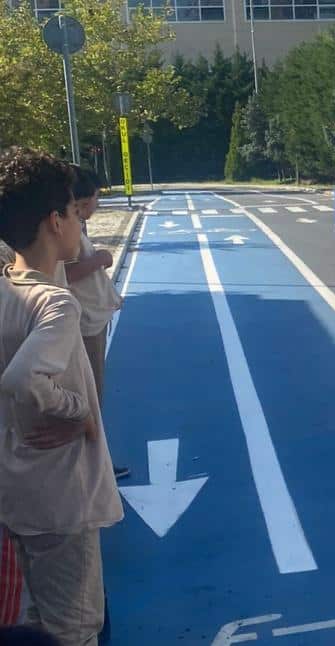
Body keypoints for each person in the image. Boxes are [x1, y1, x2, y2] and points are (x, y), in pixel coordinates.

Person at [0, 148, 123, 646]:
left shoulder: (8, 289)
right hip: (61, 494)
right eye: (74, 213)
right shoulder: (55, 303)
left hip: (18, 489)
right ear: (55, 221)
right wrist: (79, 413)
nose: (79, 222)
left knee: (35, 620)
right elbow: (21, 379)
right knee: (74, 629)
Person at [63, 167, 126, 481]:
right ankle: (93, 467)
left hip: (91, 320)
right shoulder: (66, 235)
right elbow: (67, 274)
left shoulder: (75, 229)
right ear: (79, 203)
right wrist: (101, 258)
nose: (98, 204)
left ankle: (95, 462)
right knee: (89, 397)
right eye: (96, 197)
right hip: (85, 325)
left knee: (91, 396)